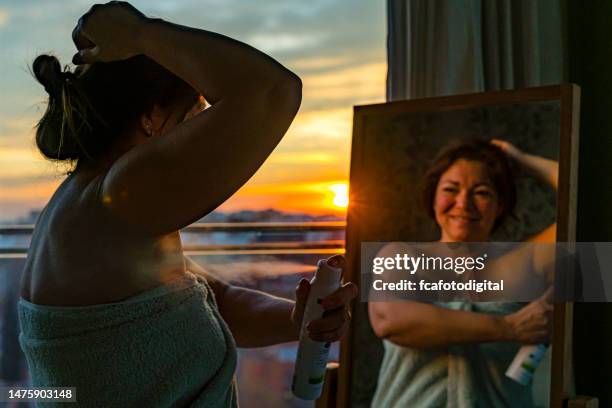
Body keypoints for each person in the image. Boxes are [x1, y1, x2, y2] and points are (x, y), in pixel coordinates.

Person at [18, 2, 357, 407]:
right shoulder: (122, 194)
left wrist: (294, 320)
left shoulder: (98, 207)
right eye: (197, 117)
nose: (205, 135)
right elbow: (270, 91)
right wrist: (141, 33)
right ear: (152, 116)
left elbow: (213, 299)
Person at [369, 139, 558, 407]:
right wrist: (509, 327)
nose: (463, 203)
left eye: (481, 192)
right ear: (433, 198)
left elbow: (583, 203)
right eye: (450, 189)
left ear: (500, 204)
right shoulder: (400, 256)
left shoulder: (525, 261)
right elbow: (390, 319)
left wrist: (523, 158)